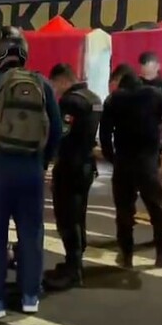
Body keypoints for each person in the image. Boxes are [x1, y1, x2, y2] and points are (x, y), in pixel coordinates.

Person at [0, 26, 63, 318]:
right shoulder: (42, 84)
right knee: (31, 233)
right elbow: (56, 130)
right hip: (31, 171)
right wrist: (42, 162)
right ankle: (30, 296)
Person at [99, 66, 162, 269]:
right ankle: (161, 256)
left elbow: (104, 134)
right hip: (148, 162)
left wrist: (112, 157)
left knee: (124, 213)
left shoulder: (114, 100)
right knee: (157, 210)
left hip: (124, 164)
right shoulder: (155, 95)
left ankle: (126, 256)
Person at [44, 63, 102, 290]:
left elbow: (60, 134)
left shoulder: (71, 101)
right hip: (86, 164)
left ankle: (73, 269)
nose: (55, 90)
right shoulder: (93, 97)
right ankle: (73, 263)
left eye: (55, 85)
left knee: (67, 219)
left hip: (70, 166)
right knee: (79, 216)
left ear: (62, 80)